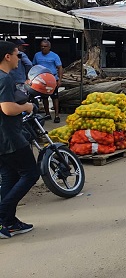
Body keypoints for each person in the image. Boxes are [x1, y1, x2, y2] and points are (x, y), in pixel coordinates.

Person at [0, 41, 39, 239]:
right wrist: (27, 107)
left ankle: (9, 222)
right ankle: (2, 215)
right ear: (7, 56)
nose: (19, 58)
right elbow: (7, 108)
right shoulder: (4, 78)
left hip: (3, 138)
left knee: (10, 177)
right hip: (9, 137)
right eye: (17, 54)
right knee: (31, 174)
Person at [32, 40, 63, 123]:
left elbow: (59, 67)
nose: (43, 48)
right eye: (41, 46)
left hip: (52, 79)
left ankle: (56, 115)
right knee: (44, 97)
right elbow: (34, 66)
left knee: (55, 97)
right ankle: (47, 114)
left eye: (45, 46)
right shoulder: (37, 55)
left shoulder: (54, 56)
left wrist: (59, 80)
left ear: (49, 47)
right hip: (42, 80)